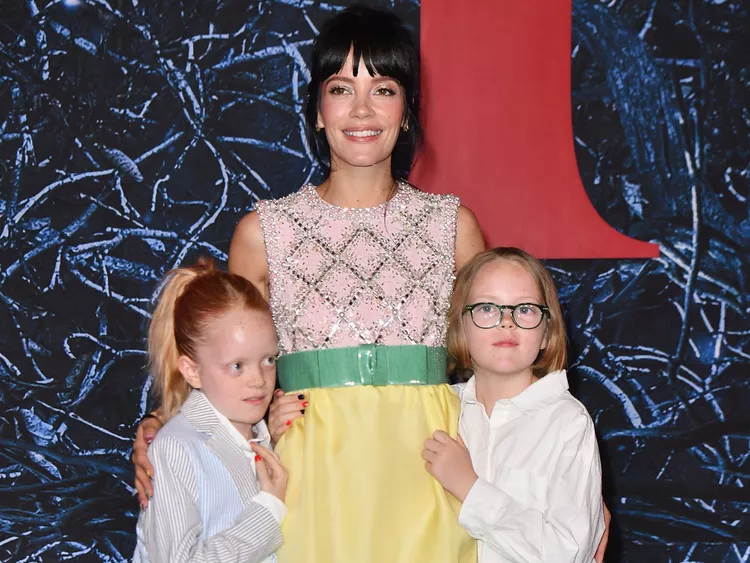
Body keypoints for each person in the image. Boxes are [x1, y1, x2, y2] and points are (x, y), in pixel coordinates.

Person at [132, 5, 610, 561]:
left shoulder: (452, 226)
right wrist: (165, 427)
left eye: (383, 89)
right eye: (340, 88)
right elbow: (224, 358)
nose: (361, 109)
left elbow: (504, 361)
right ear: (316, 108)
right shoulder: (264, 232)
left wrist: (575, 492)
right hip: (308, 475)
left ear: (406, 111)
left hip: (431, 471)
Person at [422, 247, 606, 562]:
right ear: (460, 326)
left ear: (547, 331)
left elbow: (568, 553)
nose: (507, 322)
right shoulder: (438, 409)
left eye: (524, 309)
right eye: (486, 308)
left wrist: (471, 489)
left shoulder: (567, 422)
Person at [133, 260, 288, 562]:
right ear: (192, 371)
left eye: (269, 359)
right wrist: (269, 510)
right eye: (236, 366)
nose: (258, 380)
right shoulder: (176, 447)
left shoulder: (269, 436)